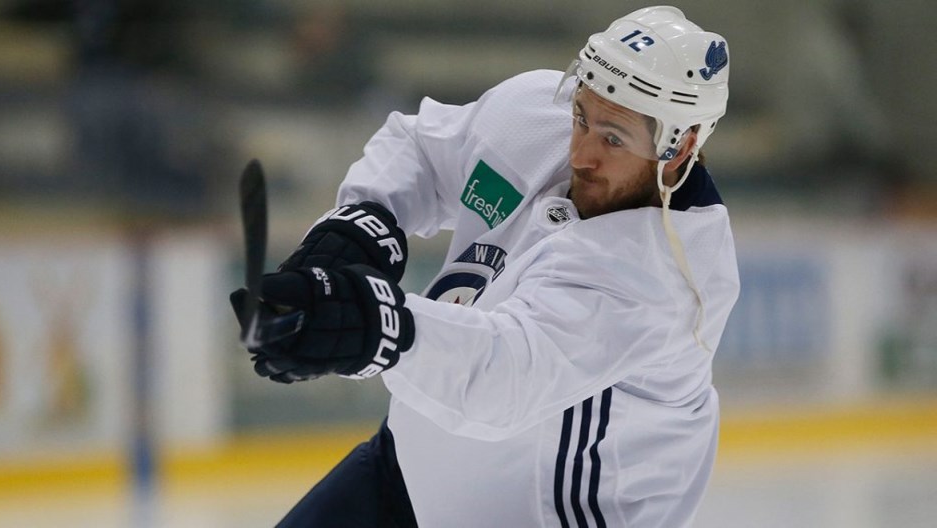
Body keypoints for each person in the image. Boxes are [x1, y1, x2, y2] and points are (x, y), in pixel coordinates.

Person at [230, 6, 740, 527]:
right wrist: (360, 227)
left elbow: (507, 376)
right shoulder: (535, 115)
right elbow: (424, 149)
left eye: (613, 139)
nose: (581, 154)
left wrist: (373, 325)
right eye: (582, 117)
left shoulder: (671, 274)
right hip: (404, 470)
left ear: (681, 148)